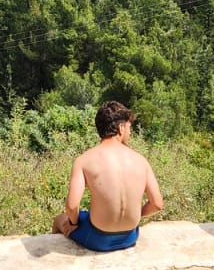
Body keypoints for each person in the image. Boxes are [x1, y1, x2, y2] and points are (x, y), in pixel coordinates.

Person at [53, 100, 163, 252]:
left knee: (59, 219)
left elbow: (71, 206)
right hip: (130, 237)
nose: (130, 133)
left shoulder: (84, 160)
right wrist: (135, 216)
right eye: (129, 128)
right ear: (121, 128)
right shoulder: (141, 160)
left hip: (98, 239)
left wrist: (73, 223)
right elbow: (157, 204)